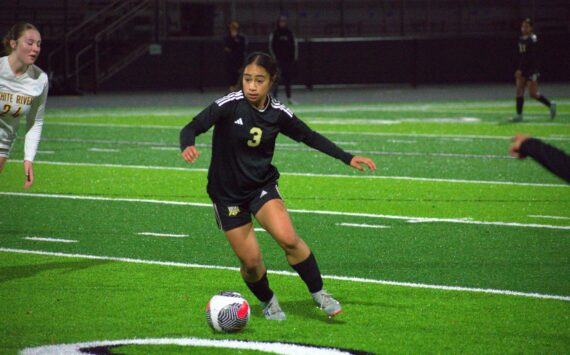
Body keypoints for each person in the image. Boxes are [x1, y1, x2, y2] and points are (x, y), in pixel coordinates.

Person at [180, 52, 376, 320]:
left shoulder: (278, 113)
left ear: (271, 81)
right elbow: (192, 126)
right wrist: (187, 143)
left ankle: (319, 293)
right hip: (227, 196)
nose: (251, 86)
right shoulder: (230, 104)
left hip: (261, 186)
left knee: (288, 239)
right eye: (247, 79)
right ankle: (269, 300)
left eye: (259, 80)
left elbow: (309, 136)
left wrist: (347, 157)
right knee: (251, 263)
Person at [0, 22, 48, 189]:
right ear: (13, 44)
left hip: (2, 144)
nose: (35, 48)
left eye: (39, 44)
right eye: (30, 43)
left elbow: (35, 121)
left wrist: (29, 158)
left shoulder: (40, 79)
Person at [511, 18, 556, 122]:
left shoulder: (533, 39)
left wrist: (522, 69)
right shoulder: (521, 39)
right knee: (519, 91)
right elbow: (521, 56)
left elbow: (531, 57)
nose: (524, 28)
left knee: (533, 94)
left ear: (531, 28)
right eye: (522, 26)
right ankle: (519, 115)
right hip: (522, 69)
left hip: (531, 69)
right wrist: (518, 68)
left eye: (526, 26)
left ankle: (550, 105)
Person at [269, 15, 298, 105]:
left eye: (284, 22)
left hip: (288, 61)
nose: (282, 24)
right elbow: (271, 46)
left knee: (288, 80)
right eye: (281, 22)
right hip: (278, 61)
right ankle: (274, 98)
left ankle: (289, 98)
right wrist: (274, 58)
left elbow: (294, 46)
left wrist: (293, 58)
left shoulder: (290, 33)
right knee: (276, 80)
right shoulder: (275, 33)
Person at [223, 20, 247, 92]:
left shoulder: (241, 38)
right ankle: (232, 93)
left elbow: (241, 49)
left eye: (235, 28)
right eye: (232, 28)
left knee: (239, 78)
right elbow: (227, 49)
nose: (233, 30)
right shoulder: (227, 38)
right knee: (231, 78)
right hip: (230, 62)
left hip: (239, 61)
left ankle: (239, 93)